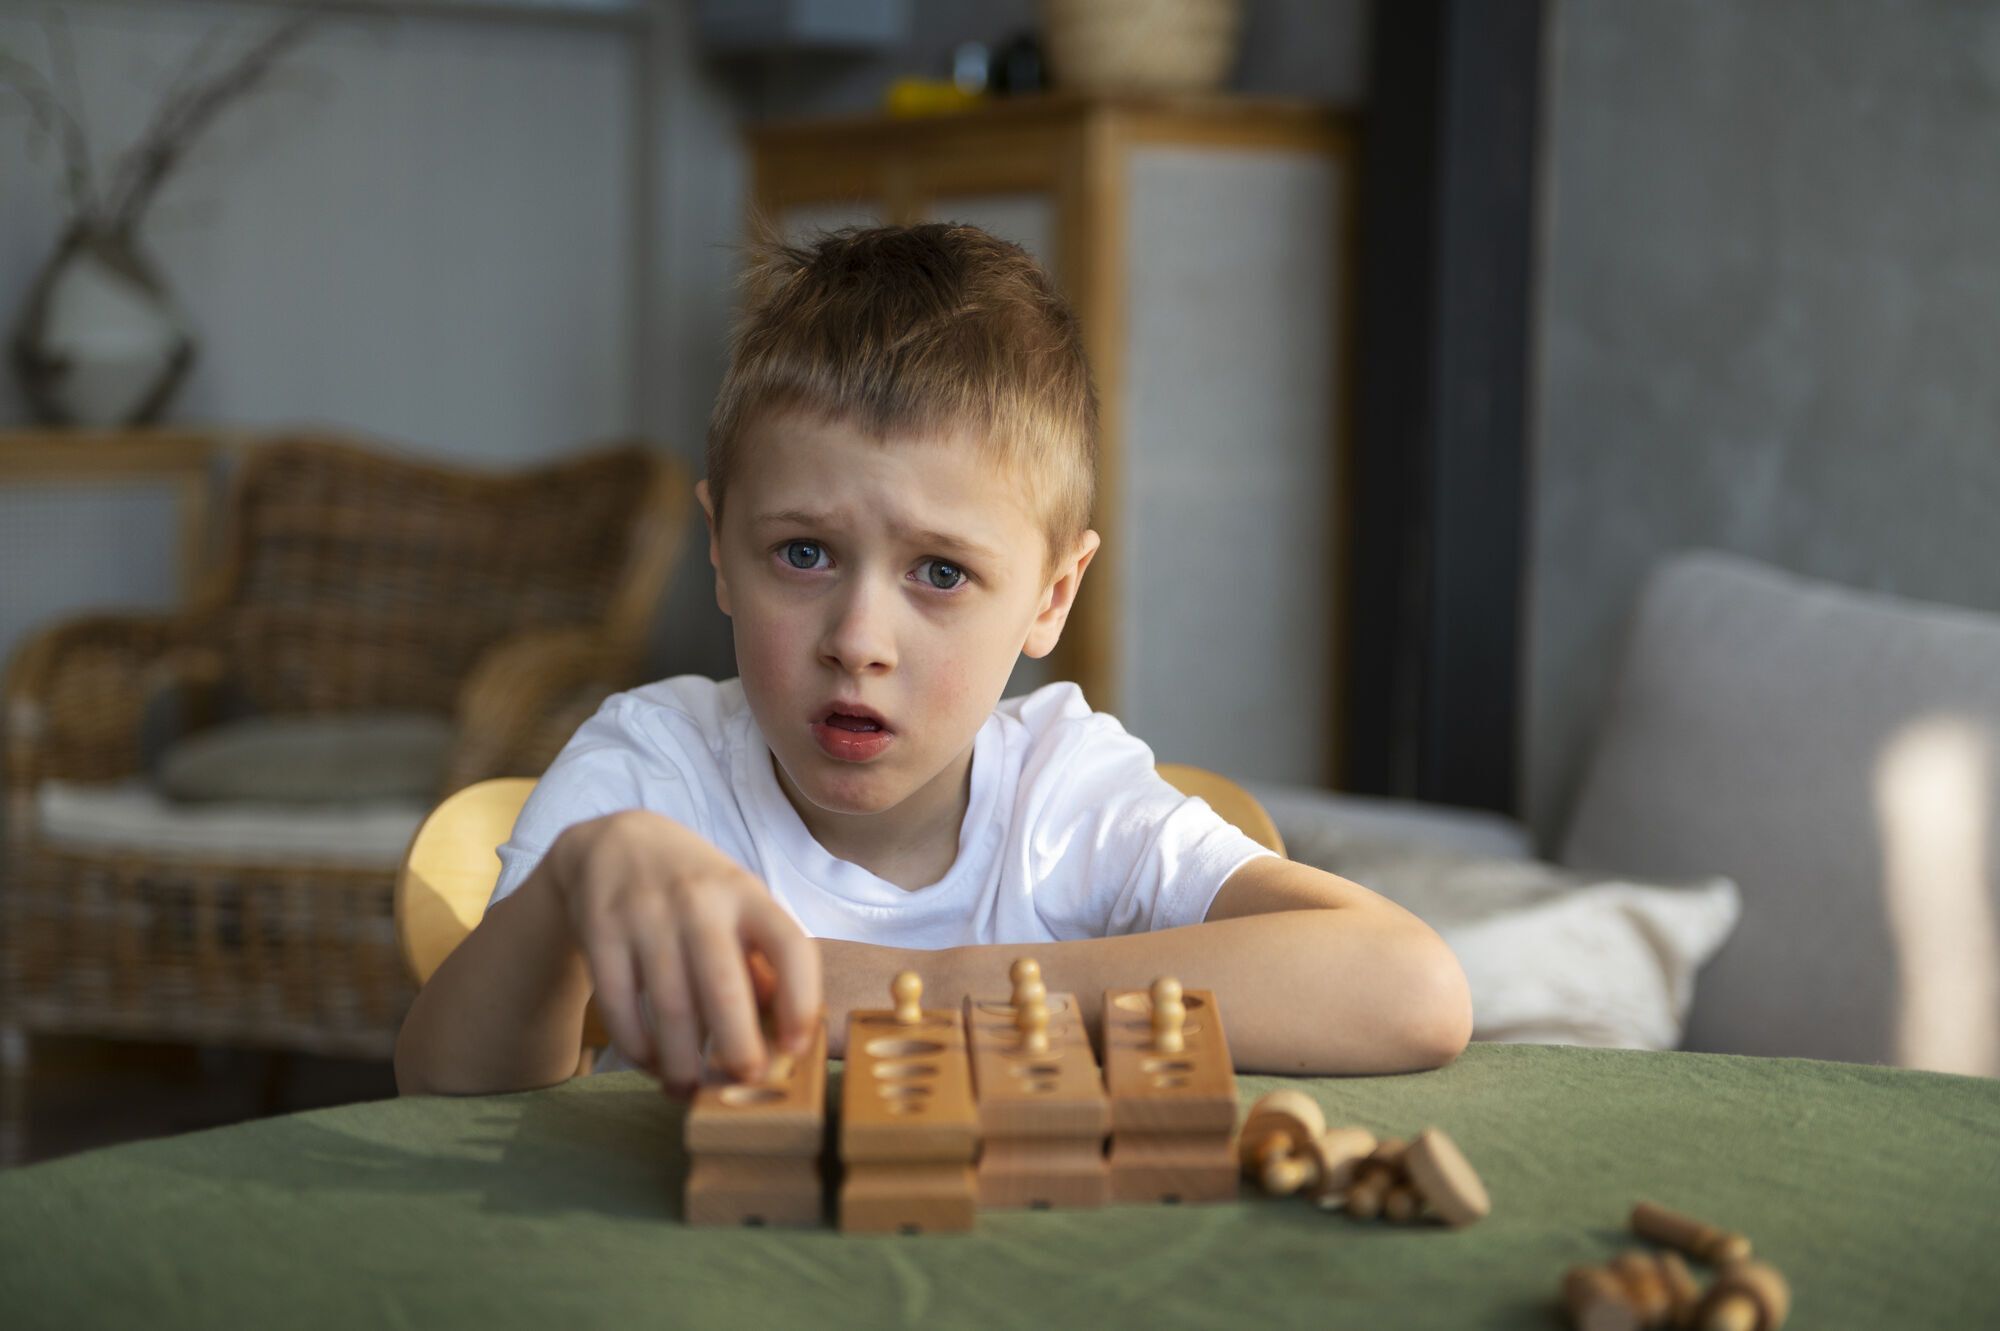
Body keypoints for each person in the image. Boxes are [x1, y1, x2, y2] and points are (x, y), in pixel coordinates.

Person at [395, 223, 1471, 1098]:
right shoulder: (651, 775)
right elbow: (446, 1090)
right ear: (720, 551)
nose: (857, 640)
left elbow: (1408, 984)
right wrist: (572, 886)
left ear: (1051, 596)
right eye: (802, 553)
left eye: (940, 574)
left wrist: (897, 986)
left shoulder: (1064, 793)